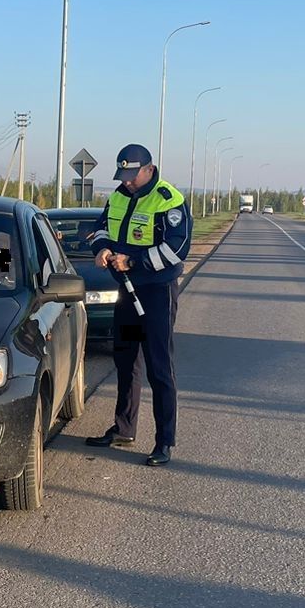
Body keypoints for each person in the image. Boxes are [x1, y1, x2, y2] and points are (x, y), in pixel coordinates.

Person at [84, 143, 191, 466]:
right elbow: (99, 229)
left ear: (149, 169)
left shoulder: (168, 199)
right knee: (126, 361)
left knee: (160, 368)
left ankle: (164, 441)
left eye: (133, 175)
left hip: (156, 293)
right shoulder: (117, 195)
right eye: (124, 175)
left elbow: (178, 249)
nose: (128, 181)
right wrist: (101, 249)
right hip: (127, 294)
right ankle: (124, 428)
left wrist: (134, 261)